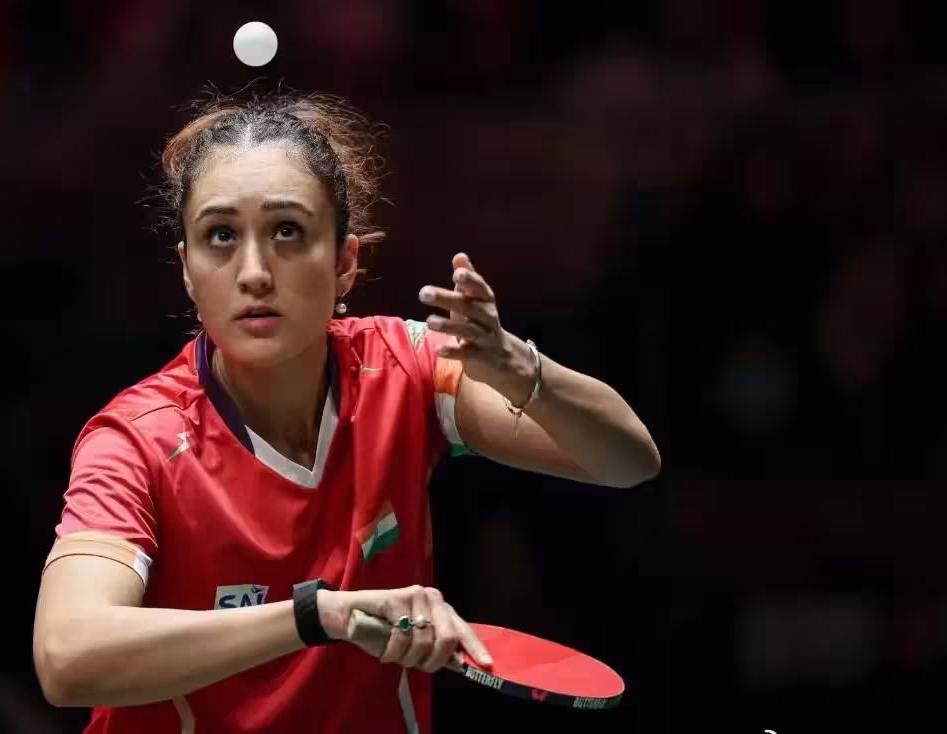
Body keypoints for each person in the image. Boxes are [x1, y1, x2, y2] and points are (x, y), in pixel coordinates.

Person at [32, 89, 660, 733]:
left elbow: (627, 461)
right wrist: (317, 616)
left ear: (345, 263)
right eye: (220, 236)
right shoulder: (138, 440)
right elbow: (66, 658)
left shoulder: (406, 370)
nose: (254, 272)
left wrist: (526, 372)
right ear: (188, 271)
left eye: (287, 232)